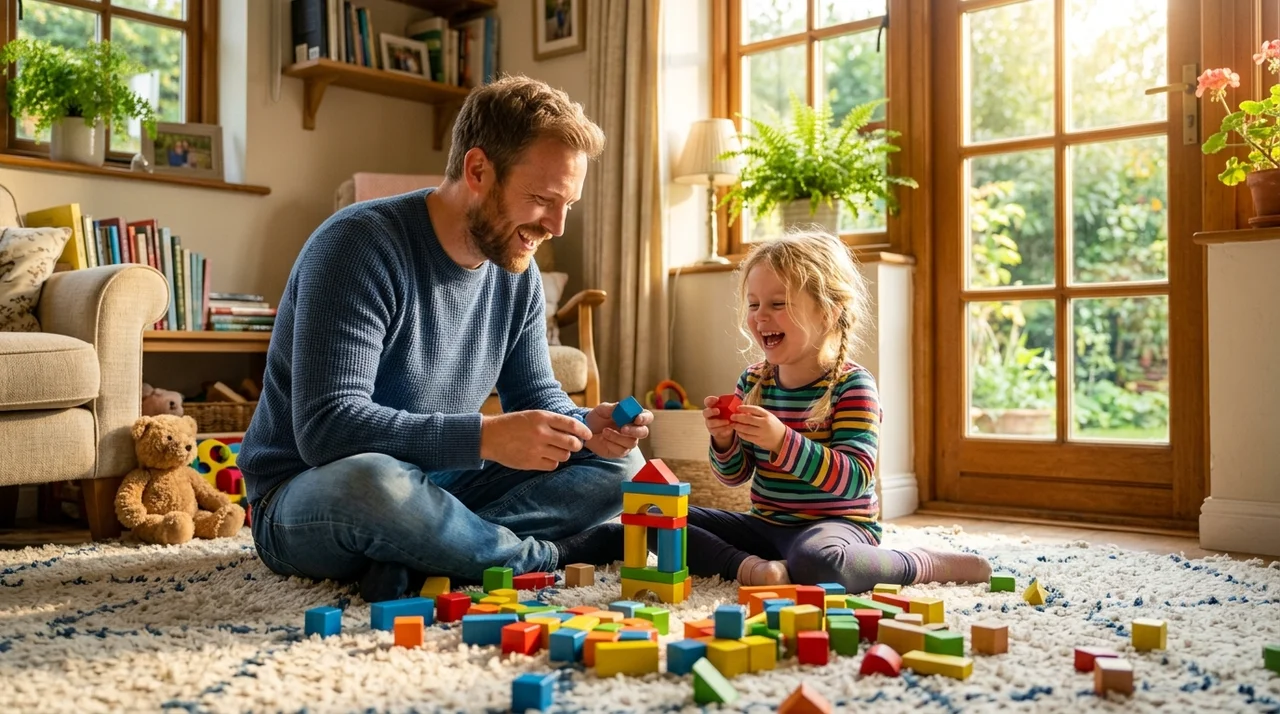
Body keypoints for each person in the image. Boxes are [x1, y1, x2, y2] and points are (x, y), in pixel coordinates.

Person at [238, 75, 651, 603]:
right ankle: (546, 555)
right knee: (374, 483)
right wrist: (484, 437)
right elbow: (327, 430)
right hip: (308, 493)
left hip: (441, 483)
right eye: (542, 199)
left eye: (567, 203)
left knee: (620, 465)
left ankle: (427, 550)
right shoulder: (356, 246)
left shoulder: (515, 270)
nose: (558, 226)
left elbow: (534, 395)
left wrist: (582, 426)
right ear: (478, 170)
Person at [671, 231, 991, 593]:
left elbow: (853, 479)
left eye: (778, 304)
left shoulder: (853, 387)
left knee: (817, 563)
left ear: (828, 311)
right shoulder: (753, 381)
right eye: (754, 304)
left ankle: (921, 562)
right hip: (765, 526)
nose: (761, 317)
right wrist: (724, 439)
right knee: (661, 517)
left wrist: (781, 441)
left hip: (838, 529)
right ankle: (753, 570)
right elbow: (735, 477)